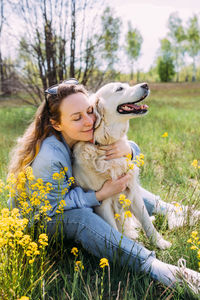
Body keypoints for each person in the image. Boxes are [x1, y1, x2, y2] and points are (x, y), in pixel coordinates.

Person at [8, 79, 200, 294]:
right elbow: (52, 206)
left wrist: (129, 149)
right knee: (83, 218)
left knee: (121, 186)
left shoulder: (80, 136)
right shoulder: (50, 156)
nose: (90, 120)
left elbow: (113, 146)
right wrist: (98, 195)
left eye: (89, 111)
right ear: (57, 124)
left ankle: (183, 213)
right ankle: (160, 269)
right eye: (77, 118)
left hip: (65, 199)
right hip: (42, 219)